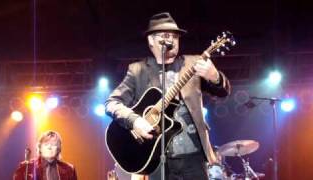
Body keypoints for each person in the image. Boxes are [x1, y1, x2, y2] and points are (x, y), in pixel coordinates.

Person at [105, 12, 231, 180]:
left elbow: (223, 92)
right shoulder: (138, 70)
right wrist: (135, 121)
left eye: (175, 36)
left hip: (193, 157)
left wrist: (215, 76)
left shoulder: (193, 64)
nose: (171, 40)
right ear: (151, 40)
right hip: (156, 158)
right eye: (165, 36)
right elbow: (112, 103)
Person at [13, 130, 77, 180]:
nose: (49, 147)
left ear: (58, 149)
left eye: (53, 144)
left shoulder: (69, 169)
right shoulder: (26, 167)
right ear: (40, 147)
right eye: (46, 144)